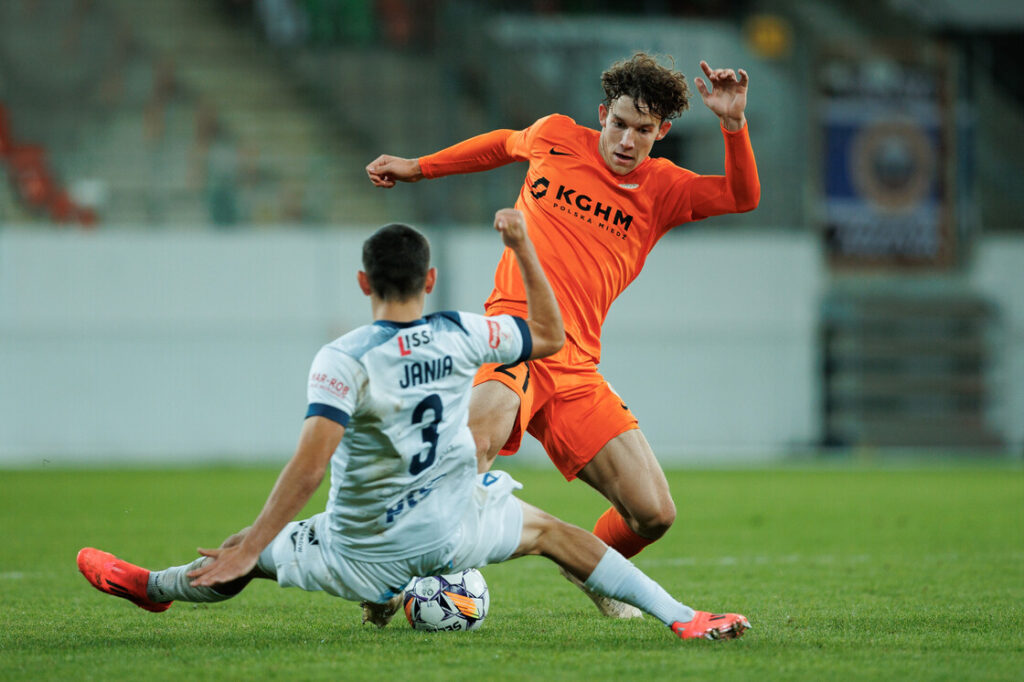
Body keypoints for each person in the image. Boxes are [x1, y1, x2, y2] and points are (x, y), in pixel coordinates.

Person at [77, 209, 750, 642]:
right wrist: (523, 248)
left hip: (360, 552)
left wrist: (252, 545)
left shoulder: (344, 359)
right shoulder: (461, 332)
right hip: (454, 529)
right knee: (556, 534)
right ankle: (685, 618)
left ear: (362, 282)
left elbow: (310, 466)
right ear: (429, 280)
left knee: (243, 556)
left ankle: (154, 588)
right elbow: (549, 336)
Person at [365, 54, 760, 618]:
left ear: (662, 132)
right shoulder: (554, 136)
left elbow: (742, 196)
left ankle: (589, 568)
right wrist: (419, 167)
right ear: (602, 115)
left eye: (643, 130)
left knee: (653, 513)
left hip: (576, 367)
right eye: (619, 123)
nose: (626, 140)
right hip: (516, 338)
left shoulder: (664, 189)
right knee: (475, 446)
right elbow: (502, 144)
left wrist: (733, 125)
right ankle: (390, 577)